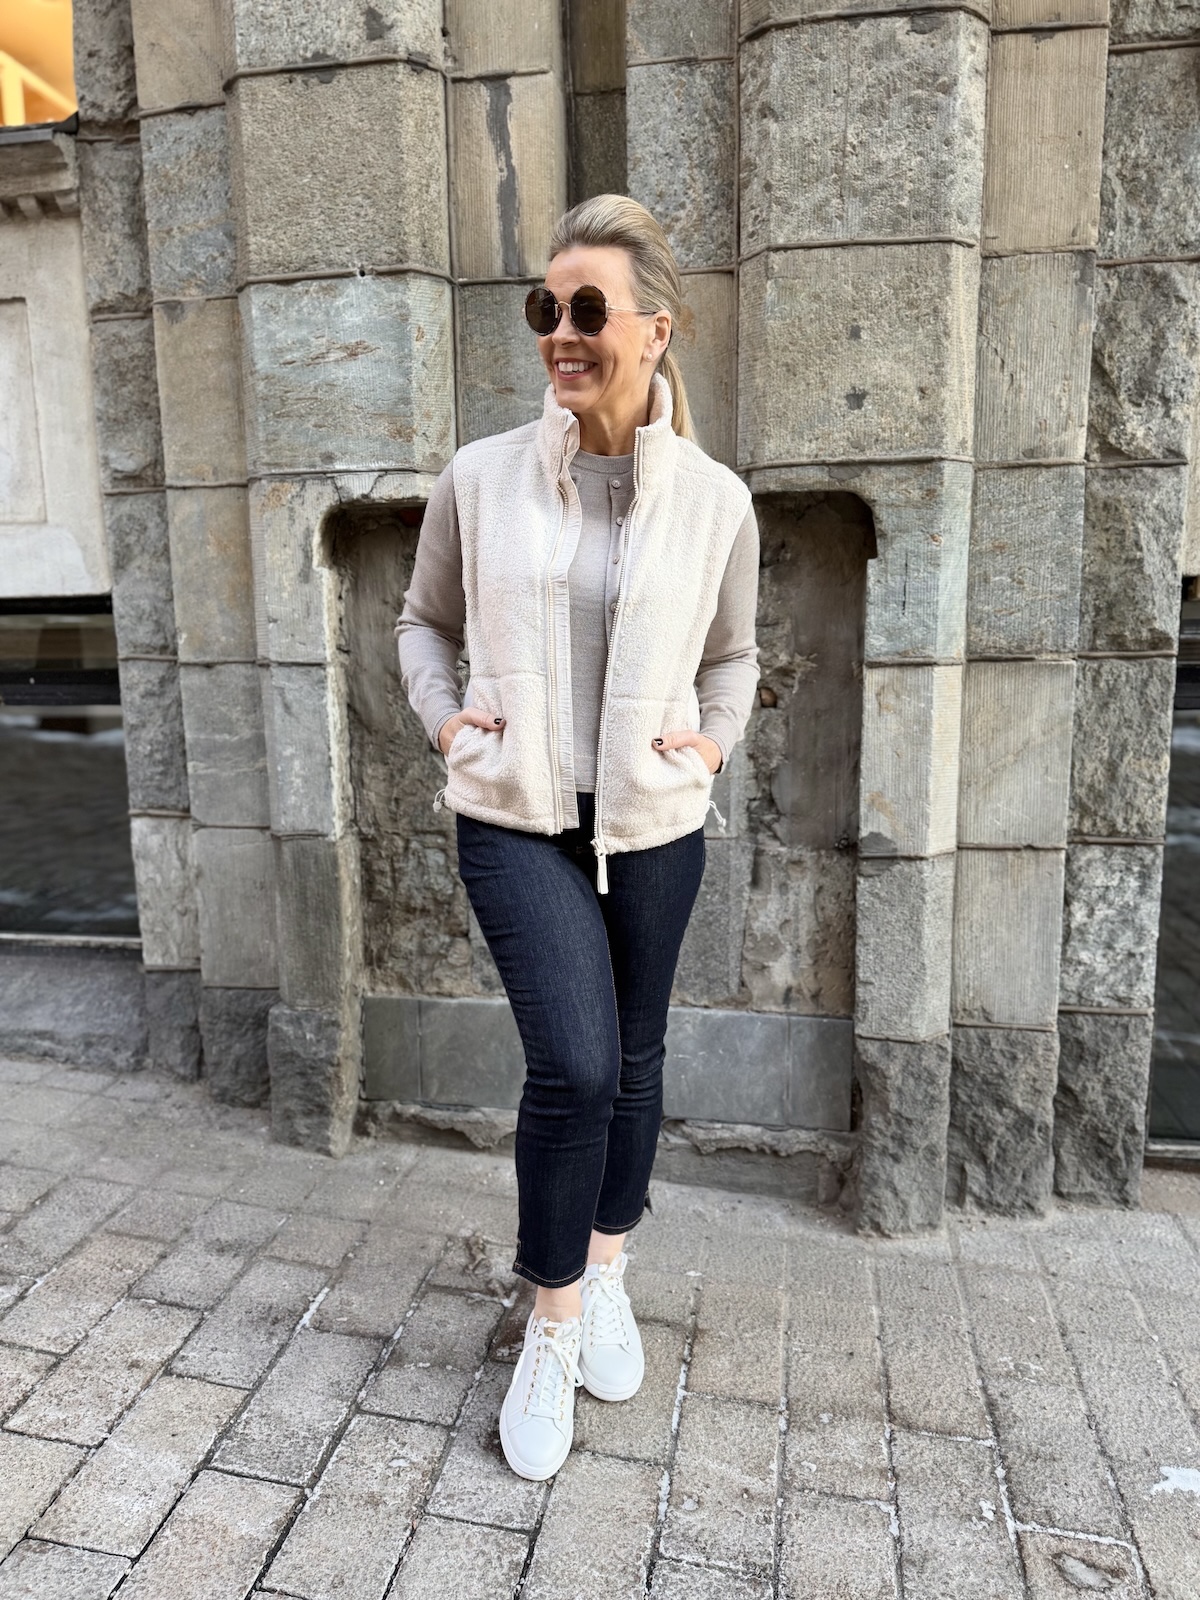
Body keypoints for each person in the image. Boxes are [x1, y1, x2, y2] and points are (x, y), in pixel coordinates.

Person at [395, 194, 760, 1480]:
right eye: (545, 306)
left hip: (653, 817)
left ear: (656, 329)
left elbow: (734, 652)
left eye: (588, 308)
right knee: (578, 1064)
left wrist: (711, 744)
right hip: (518, 816)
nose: (561, 329)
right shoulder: (481, 476)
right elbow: (423, 621)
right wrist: (449, 723)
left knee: (637, 1055)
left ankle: (606, 1266)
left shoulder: (715, 501)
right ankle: (550, 1322)